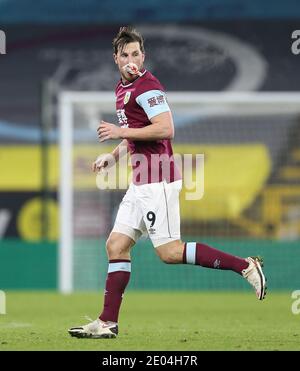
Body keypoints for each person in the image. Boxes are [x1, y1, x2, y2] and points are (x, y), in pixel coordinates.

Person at [68, 26, 267, 339]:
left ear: (143, 56)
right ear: (116, 59)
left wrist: (121, 133)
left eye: (136, 54)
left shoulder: (148, 87)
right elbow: (135, 131)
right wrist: (113, 156)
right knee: (116, 245)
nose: (131, 59)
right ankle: (107, 323)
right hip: (140, 181)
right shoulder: (121, 90)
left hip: (157, 179)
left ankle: (244, 266)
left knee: (170, 252)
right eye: (125, 55)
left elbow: (165, 128)